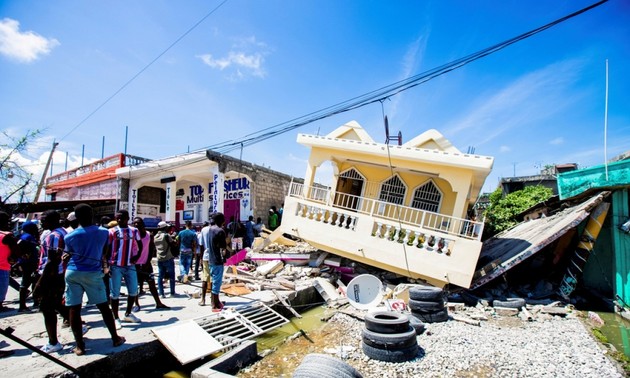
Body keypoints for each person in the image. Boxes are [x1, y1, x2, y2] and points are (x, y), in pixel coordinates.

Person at [63, 203, 125, 355]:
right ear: (92, 214)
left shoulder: (69, 236)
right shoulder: (104, 232)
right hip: (93, 273)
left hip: (73, 272)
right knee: (104, 306)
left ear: (76, 218)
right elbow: (104, 251)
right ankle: (115, 338)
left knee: (74, 308)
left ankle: (80, 346)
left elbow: (68, 254)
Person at [33, 210, 69, 353]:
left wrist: (40, 282)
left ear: (54, 220)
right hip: (59, 275)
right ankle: (75, 323)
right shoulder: (63, 233)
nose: (41, 222)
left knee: (47, 309)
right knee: (57, 304)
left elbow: (52, 261)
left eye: (44, 219)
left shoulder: (54, 236)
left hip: (52, 276)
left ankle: (53, 342)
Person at [107, 210, 142, 329]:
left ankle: (128, 313)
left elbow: (140, 244)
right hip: (115, 265)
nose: (119, 220)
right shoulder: (111, 231)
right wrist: (106, 265)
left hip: (130, 265)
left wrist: (137, 256)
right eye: (117, 218)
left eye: (122, 218)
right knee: (115, 293)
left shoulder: (134, 231)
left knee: (133, 291)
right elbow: (106, 249)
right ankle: (116, 317)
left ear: (127, 218)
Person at [132, 217, 168, 311]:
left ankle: (158, 303)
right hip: (135, 265)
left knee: (152, 285)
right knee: (134, 286)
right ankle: (136, 304)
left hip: (146, 265)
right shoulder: (132, 235)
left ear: (142, 224)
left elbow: (152, 249)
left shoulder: (149, 235)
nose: (136, 225)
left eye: (138, 223)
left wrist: (148, 261)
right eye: (134, 223)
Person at [200, 212, 227, 311]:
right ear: (220, 220)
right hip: (217, 260)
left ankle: (216, 302)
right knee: (216, 284)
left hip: (210, 259)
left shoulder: (210, 229)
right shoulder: (220, 231)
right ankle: (214, 305)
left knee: (213, 282)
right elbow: (223, 246)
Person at [17, 221, 40, 312]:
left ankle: (36, 301)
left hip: (28, 262)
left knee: (33, 281)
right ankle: (22, 306)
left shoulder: (25, 236)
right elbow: (20, 246)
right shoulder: (27, 237)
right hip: (28, 263)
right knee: (26, 282)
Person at [0, 211, 19, 312]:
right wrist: (13, 259)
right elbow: (16, 250)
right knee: (2, 286)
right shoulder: (7, 235)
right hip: (2, 266)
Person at [154, 221, 177, 298]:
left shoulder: (155, 236)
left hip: (160, 258)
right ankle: (172, 293)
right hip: (168, 258)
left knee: (160, 276)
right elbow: (173, 244)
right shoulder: (166, 236)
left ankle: (161, 293)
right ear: (164, 227)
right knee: (171, 276)